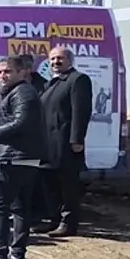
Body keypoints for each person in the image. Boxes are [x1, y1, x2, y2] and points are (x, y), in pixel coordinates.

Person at [0, 57, 46, 259]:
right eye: (0, 72)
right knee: (20, 209)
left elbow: (22, 122)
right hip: (24, 158)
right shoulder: (19, 92)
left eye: (8, 71)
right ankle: (17, 258)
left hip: (14, 159)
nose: (3, 76)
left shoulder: (22, 92)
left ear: (21, 73)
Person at [38, 46, 93, 237]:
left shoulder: (77, 80)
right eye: (52, 59)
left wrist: (77, 139)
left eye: (59, 58)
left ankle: (68, 223)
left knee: (67, 185)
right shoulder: (51, 83)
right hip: (47, 145)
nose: (55, 62)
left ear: (70, 60)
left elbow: (81, 111)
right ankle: (53, 220)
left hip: (66, 143)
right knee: (49, 184)